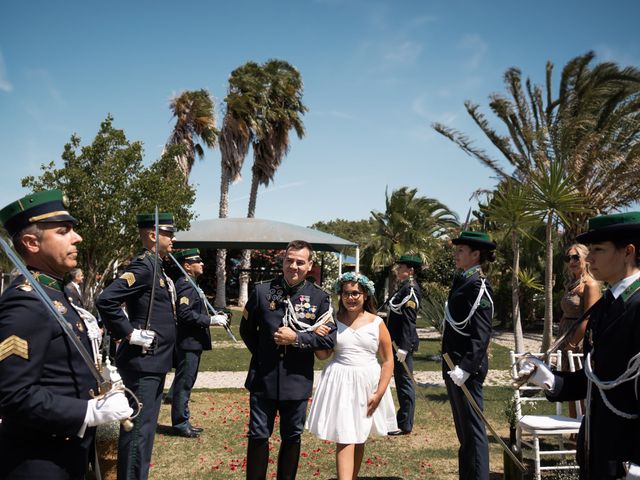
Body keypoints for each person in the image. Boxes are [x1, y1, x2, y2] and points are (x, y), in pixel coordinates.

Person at [0, 189, 132, 479]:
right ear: (31, 242)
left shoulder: (54, 292)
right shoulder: (26, 302)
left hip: (69, 452)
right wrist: (87, 412)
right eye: (64, 231)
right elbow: (13, 394)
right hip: (39, 461)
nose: (77, 238)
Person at [517, 213, 640, 479]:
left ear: (628, 251)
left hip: (628, 448)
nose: (589, 258)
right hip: (597, 441)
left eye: (598, 249)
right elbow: (597, 377)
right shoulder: (606, 304)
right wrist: (550, 379)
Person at [240, 240, 337, 480]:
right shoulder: (262, 291)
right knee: (258, 435)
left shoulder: (320, 298)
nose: (293, 266)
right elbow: (247, 329)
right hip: (264, 377)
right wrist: (264, 354)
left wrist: (297, 339)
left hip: (297, 380)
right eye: (289, 260)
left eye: (300, 262)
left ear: (309, 265)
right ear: (283, 261)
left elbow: (327, 340)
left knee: (292, 436)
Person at [96, 212, 177, 480]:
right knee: (138, 431)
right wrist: (129, 333)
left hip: (154, 361)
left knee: (145, 431)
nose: (173, 239)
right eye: (169, 233)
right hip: (144, 361)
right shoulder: (144, 267)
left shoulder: (157, 267)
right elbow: (106, 299)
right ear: (153, 236)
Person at [306, 272, 397, 480]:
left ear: (365, 295)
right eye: (346, 293)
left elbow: (388, 360)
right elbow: (323, 355)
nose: (350, 297)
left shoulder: (377, 323)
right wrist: (316, 339)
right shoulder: (333, 321)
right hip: (340, 382)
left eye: (356, 293)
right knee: (345, 435)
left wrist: (380, 392)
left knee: (358, 435)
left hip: (368, 384)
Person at [442, 230, 496, 480]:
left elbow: (481, 333)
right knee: (464, 432)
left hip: (465, 369)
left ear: (476, 254)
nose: (456, 254)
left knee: (474, 432)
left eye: (461, 250)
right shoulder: (463, 280)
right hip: (454, 365)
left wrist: (466, 367)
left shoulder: (479, 285)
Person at [169, 248, 228, 437]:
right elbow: (185, 314)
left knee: (187, 382)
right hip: (188, 342)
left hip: (193, 342)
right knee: (184, 383)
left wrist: (213, 315)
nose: (202, 263)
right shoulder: (186, 285)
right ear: (187, 265)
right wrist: (210, 321)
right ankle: (180, 423)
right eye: (198, 261)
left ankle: (183, 420)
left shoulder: (192, 284)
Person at [558, 243, 601, 418]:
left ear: (585, 258)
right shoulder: (570, 284)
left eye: (576, 257)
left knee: (580, 383)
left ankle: (582, 427)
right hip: (565, 333)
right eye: (568, 258)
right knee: (568, 382)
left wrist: (573, 342)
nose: (572, 261)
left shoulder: (590, 285)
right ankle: (573, 428)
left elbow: (588, 317)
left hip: (580, 338)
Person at [385, 254, 422, 436]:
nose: (398, 271)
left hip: (402, 344)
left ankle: (405, 424)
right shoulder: (404, 288)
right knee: (400, 383)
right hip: (396, 342)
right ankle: (402, 419)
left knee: (405, 383)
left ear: (411, 271)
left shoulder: (411, 291)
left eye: (401, 268)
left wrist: (404, 348)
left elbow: (409, 322)